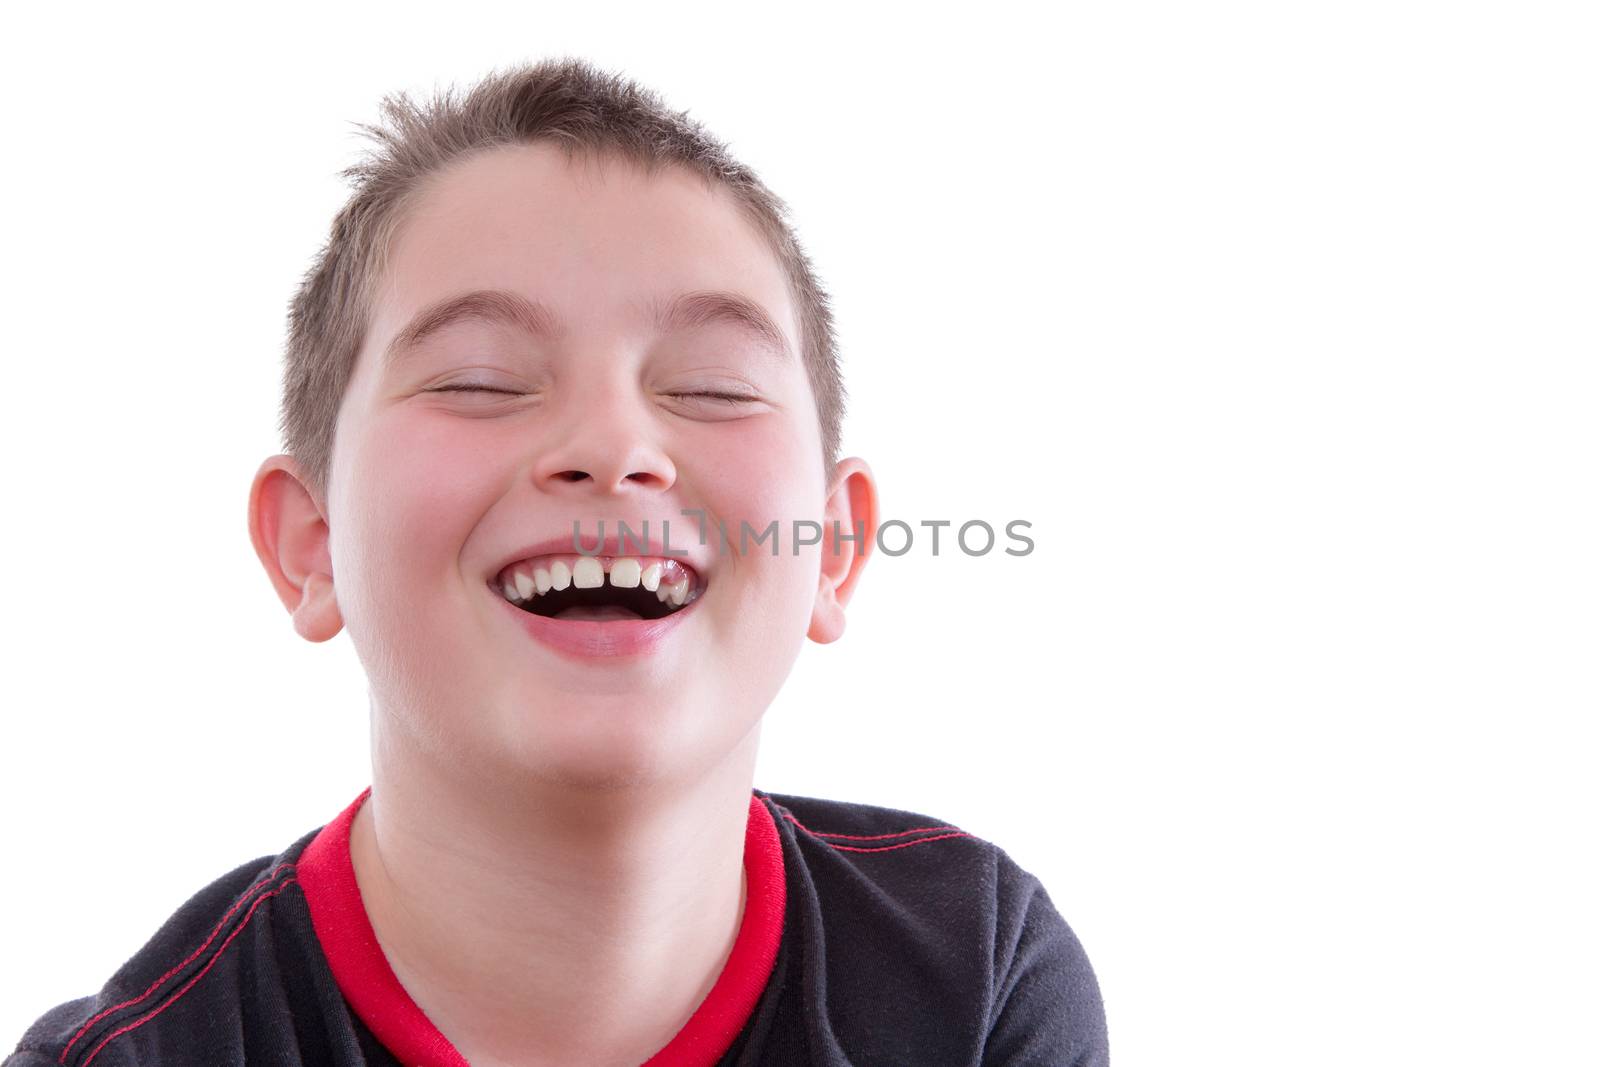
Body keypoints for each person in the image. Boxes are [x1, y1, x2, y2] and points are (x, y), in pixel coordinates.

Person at [5, 57, 1108, 1067]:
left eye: (714, 385)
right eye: (479, 379)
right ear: (313, 543)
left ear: (832, 545)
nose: (611, 449)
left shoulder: (974, 977)